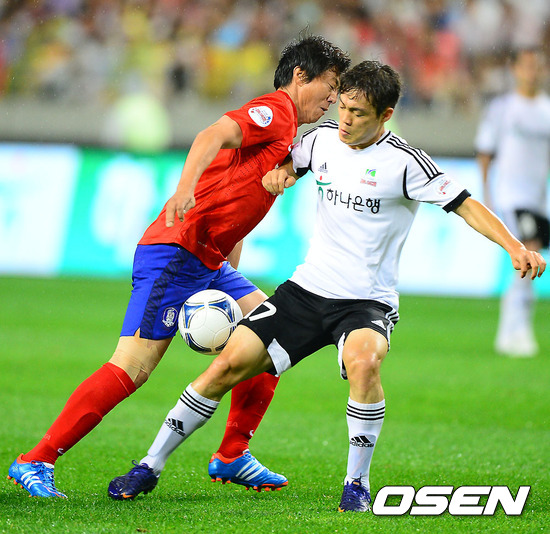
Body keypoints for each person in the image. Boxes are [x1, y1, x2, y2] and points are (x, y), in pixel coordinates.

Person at [113, 60, 546, 512]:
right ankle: (150, 465)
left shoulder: (405, 163)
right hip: (306, 290)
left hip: (366, 301)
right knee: (226, 366)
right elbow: (289, 163)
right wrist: (283, 172)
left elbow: (466, 204)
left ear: (386, 115)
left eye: (358, 113)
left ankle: (356, 482)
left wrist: (514, 247)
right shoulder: (321, 140)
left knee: (365, 362)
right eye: (343, 108)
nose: (345, 120)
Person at [7, 35, 350, 499]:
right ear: (300, 76)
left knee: (271, 336)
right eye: (330, 85)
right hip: (177, 252)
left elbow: (237, 198)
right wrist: (184, 188)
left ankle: (232, 454)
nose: (333, 99)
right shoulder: (276, 110)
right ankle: (36, 459)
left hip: (208, 259)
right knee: (132, 367)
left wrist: (228, 263)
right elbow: (211, 135)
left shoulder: (289, 134)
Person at [475, 47, 550, 358]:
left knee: (530, 260)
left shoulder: (546, 109)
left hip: (538, 199)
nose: (532, 72)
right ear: (515, 69)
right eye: (527, 66)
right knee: (528, 255)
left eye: (537, 66)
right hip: (512, 195)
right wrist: (487, 193)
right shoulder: (502, 108)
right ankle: (515, 332)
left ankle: (512, 332)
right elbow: (485, 152)